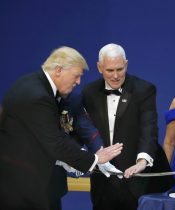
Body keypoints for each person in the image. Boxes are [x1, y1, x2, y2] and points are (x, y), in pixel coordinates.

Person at [0, 46, 123, 210]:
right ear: (58, 70)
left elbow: (63, 132)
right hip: (23, 189)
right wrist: (94, 159)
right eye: (76, 75)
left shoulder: (39, 86)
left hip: (43, 187)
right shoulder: (37, 96)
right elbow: (55, 143)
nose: (78, 81)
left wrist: (91, 156)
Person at [82, 43, 175, 210]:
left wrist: (142, 161)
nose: (116, 75)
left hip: (140, 179)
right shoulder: (89, 92)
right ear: (99, 67)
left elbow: (149, 129)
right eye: (110, 70)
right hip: (104, 180)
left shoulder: (144, 90)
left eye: (120, 69)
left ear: (126, 64)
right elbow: (84, 130)